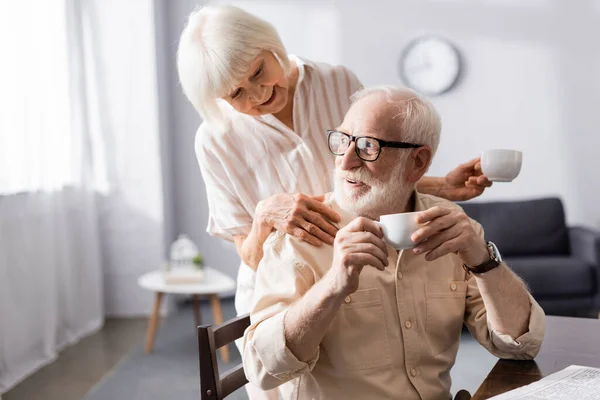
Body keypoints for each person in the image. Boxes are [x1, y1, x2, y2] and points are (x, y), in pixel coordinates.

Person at [176, 5, 492, 398]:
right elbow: (252, 255)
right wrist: (263, 216)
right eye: (236, 93)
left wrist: (444, 186)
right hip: (284, 293)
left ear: (270, 44)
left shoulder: (336, 81)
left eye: (258, 72)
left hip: (364, 268)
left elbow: (370, 172)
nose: (259, 93)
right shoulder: (215, 141)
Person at [242, 86, 545, 400]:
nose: (345, 162)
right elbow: (262, 369)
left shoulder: (453, 226)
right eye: (342, 140)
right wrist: (333, 285)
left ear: (418, 162)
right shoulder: (302, 234)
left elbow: (522, 344)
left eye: (368, 146)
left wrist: (483, 261)